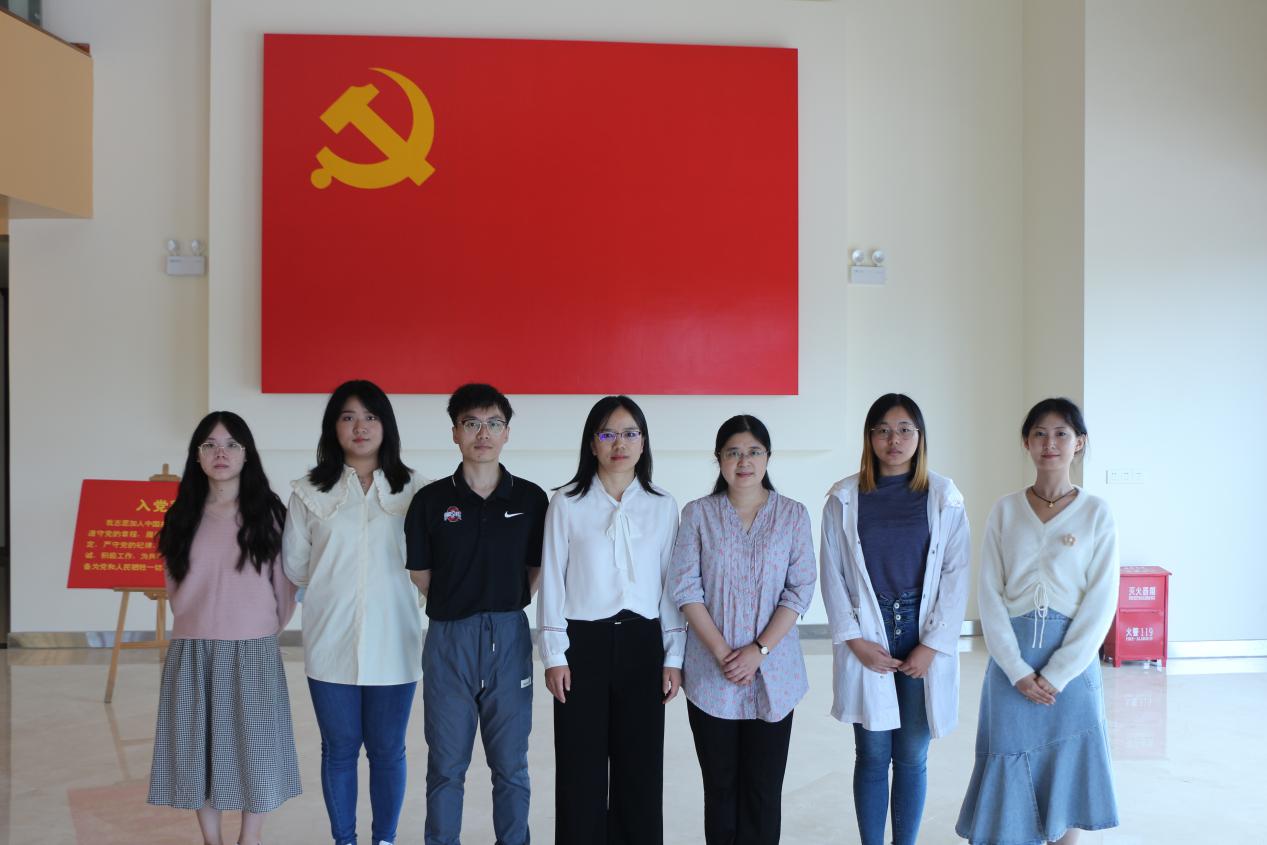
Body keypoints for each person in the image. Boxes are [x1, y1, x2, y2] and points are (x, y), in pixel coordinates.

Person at [957, 397, 1120, 845]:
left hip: (1072, 666)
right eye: (1040, 434)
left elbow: (1101, 601)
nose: (1050, 443)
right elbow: (989, 593)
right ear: (1026, 442)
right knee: (1009, 757)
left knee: (1069, 761)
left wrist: (1058, 673)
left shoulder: (1097, 512)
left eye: (1061, 434)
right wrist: (1016, 670)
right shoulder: (1005, 510)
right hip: (1012, 664)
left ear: (1079, 442)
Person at [819, 393, 971, 845]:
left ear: (920, 437)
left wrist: (933, 645)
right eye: (883, 430)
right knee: (871, 754)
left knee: (911, 756)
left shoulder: (943, 496)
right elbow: (832, 574)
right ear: (869, 438)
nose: (894, 439)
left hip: (921, 631)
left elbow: (956, 574)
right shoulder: (844, 498)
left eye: (905, 429)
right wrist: (854, 640)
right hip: (870, 631)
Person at [537, 395, 685, 845]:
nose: (619, 443)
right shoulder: (566, 503)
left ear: (643, 442)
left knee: (640, 767)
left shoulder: (663, 505)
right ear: (592, 443)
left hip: (643, 643)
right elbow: (553, 581)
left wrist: (673, 655)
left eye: (630, 433)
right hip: (583, 645)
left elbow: (670, 585)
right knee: (579, 766)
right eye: (608, 434)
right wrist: (554, 654)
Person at [147, 411, 300, 845]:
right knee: (199, 752)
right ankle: (211, 839)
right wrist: (198, 622)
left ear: (246, 454)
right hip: (192, 648)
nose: (221, 453)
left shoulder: (269, 514)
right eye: (210, 445)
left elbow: (284, 588)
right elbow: (175, 586)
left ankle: (249, 839)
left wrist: (256, 627)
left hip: (252, 648)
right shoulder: (181, 516)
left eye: (232, 444)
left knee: (256, 751)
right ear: (196, 456)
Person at [283, 379, 425, 845]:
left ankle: (384, 839)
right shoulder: (308, 492)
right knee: (339, 749)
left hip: (395, 640)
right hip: (330, 638)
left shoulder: (417, 490)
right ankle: (344, 839)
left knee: (387, 749)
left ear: (386, 425)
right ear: (333, 427)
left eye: (370, 416)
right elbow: (296, 565)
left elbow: (430, 564)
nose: (359, 427)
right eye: (348, 417)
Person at [405, 383, 547, 845]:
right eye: (471, 423)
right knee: (446, 766)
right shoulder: (430, 501)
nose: (482, 434)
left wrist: (500, 605)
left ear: (507, 433)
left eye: (493, 424)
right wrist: (462, 605)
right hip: (449, 640)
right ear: (454, 432)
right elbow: (421, 573)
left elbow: (536, 568)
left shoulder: (530, 500)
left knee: (511, 765)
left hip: (509, 637)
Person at [670, 414, 816, 845]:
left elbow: (799, 589)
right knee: (720, 789)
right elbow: (685, 587)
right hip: (710, 673)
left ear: (768, 457)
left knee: (763, 791)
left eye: (753, 451)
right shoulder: (698, 514)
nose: (744, 461)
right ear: (718, 459)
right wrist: (723, 653)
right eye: (733, 452)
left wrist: (758, 651)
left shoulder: (792, 515)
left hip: (776, 672)